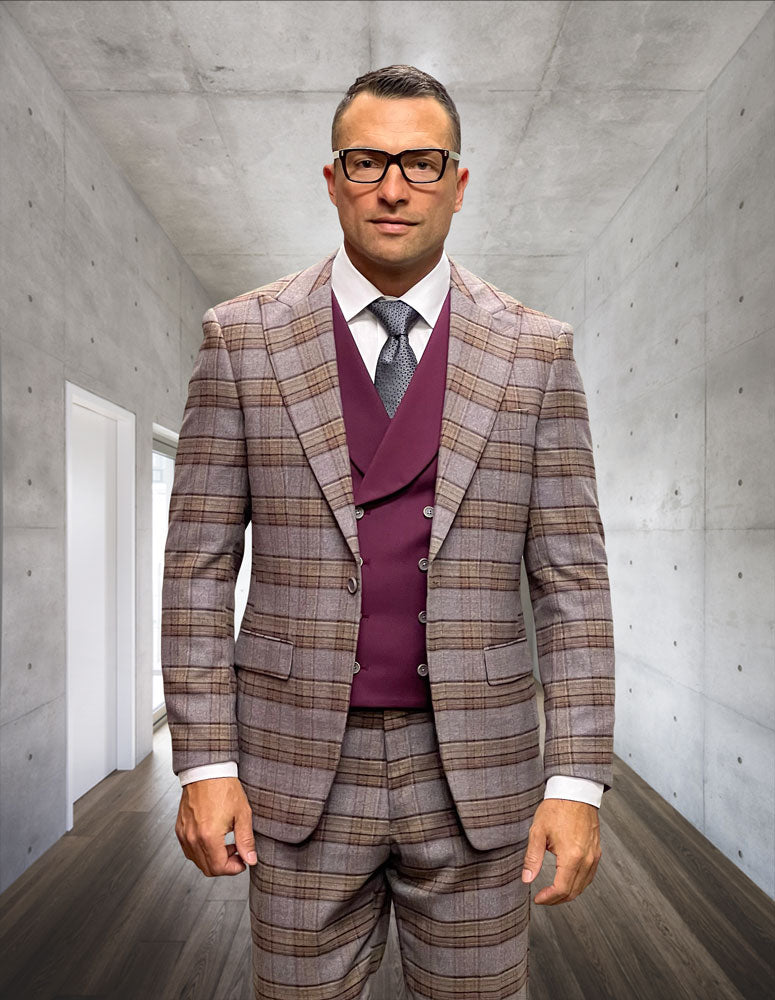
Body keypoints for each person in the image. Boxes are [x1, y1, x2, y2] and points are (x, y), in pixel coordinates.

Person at [162, 64, 615, 1000]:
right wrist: (205, 760)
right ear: (332, 179)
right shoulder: (241, 340)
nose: (393, 186)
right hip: (291, 770)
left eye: (421, 161)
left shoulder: (535, 352)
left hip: (478, 774)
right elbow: (199, 570)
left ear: (458, 180)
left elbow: (570, 584)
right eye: (367, 161)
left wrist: (576, 780)